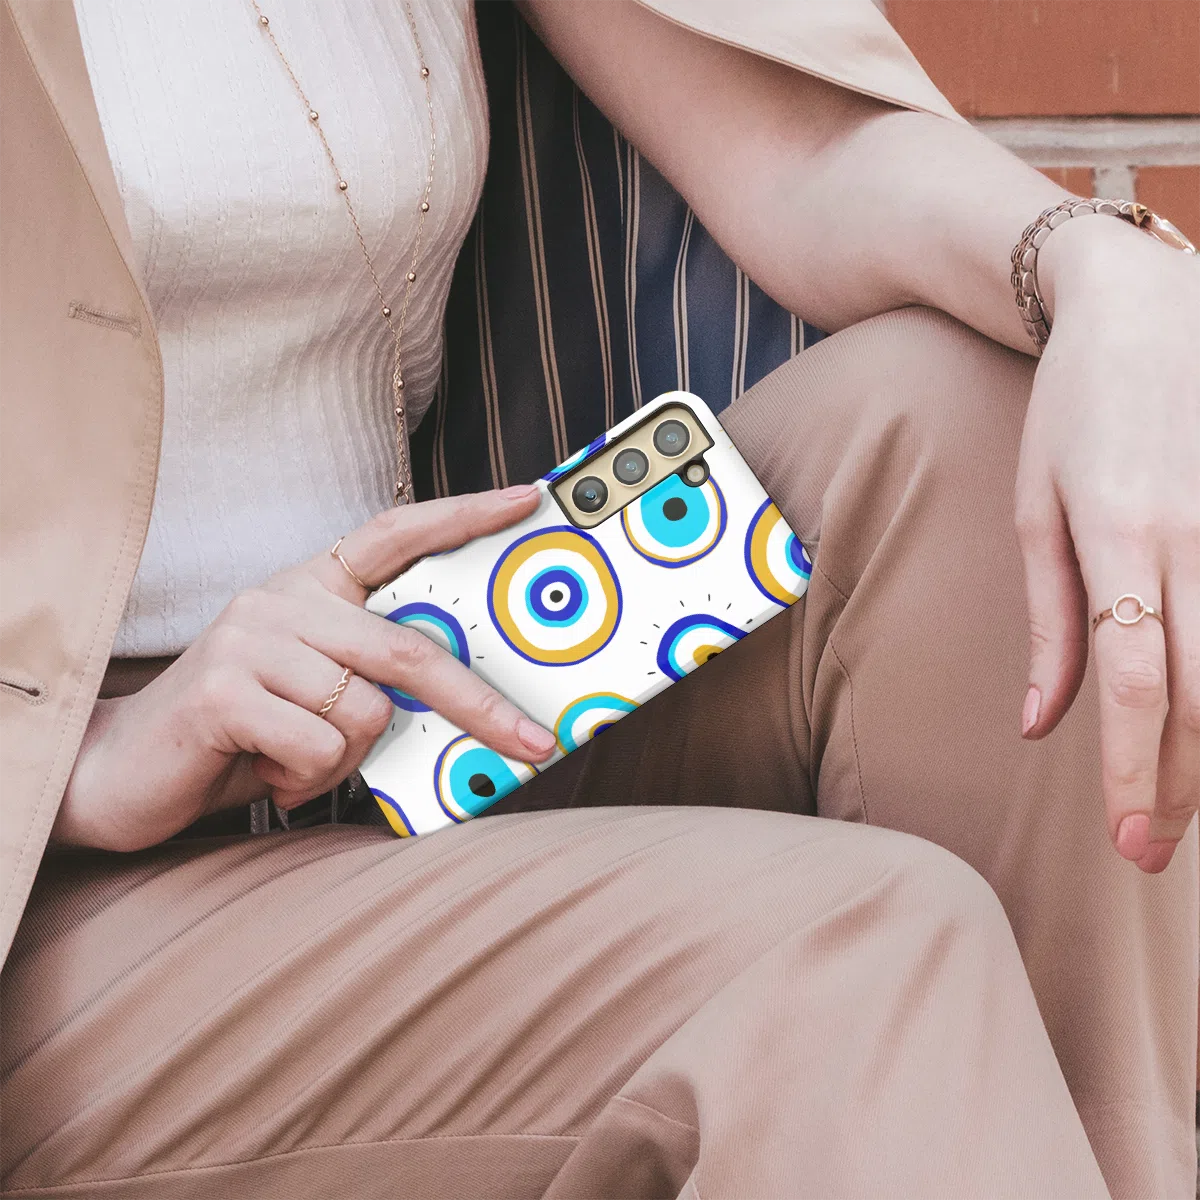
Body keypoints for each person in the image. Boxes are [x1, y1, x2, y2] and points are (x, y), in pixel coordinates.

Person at [0, 0, 1196, 1196]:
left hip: (411, 703)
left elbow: (805, 149)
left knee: (977, 422)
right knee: (853, 950)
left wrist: (1100, 271)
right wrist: (87, 754)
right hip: (58, 891)